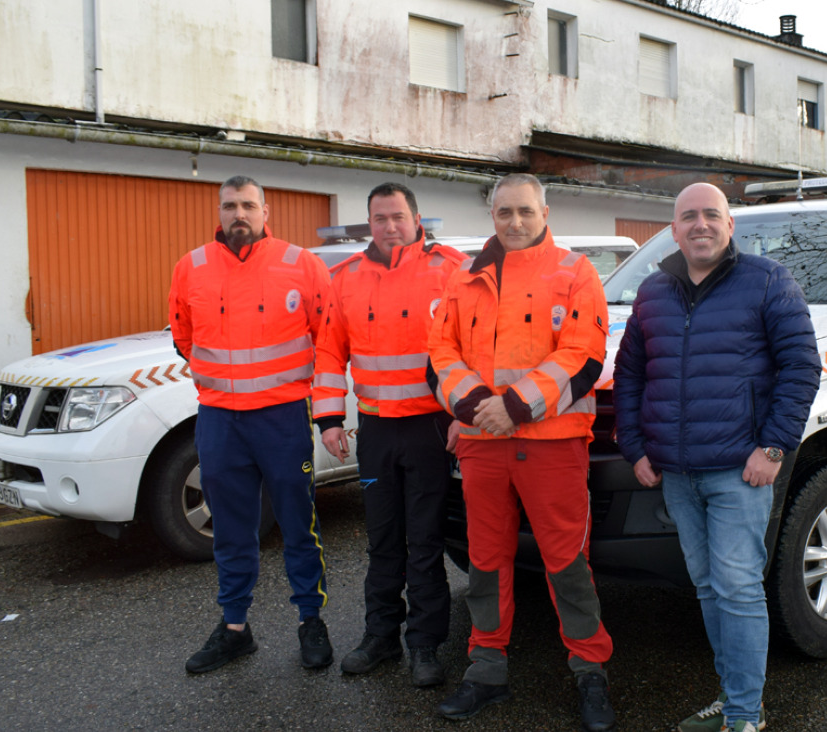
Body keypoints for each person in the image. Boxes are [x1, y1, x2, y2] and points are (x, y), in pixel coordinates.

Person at [612, 182, 821, 732]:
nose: (699, 225)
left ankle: (744, 717)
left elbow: (802, 366)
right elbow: (631, 372)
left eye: (711, 215)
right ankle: (733, 700)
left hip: (739, 470)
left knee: (736, 588)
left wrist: (774, 447)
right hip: (677, 474)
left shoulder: (767, 280)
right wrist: (634, 446)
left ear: (730, 226)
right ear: (674, 229)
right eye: (688, 217)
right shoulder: (654, 291)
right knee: (708, 588)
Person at [427, 173, 616, 731]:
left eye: (525, 212)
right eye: (505, 212)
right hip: (484, 445)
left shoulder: (575, 272)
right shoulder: (464, 277)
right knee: (485, 561)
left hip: (551, 444)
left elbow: (583, 357)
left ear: (544, 212)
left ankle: (590, 670)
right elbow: (440, 352)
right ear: (493, 215)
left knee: (567, 564)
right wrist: (478, 408)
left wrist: (513, 406)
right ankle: (486, 669)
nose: (515, 222)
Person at [169, 175, 337, 674]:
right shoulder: (190, 267)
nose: (238, 214)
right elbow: (182, 335)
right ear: (218, 212)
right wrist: (225, 384)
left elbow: (327, 341)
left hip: (282, 417)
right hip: (219, 419)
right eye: (229, 206)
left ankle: (311, 620)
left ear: (267, 210)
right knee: (230, 527)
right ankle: (235, 628)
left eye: (248, 205)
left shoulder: (301, 265)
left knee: (297, 523)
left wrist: (324, 411)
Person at [312, 182, 466, 687]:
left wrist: (466, 415)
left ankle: (424, 645)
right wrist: (330, 419)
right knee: (381, 542)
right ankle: (380, 636)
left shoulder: (451, 270)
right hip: (376, 429)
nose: (390, 226)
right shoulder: (345, 279)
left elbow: (473, 349)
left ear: (417, 218)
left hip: (430, 428)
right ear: (369, 223)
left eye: (398, 216)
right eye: (380, 218)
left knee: (423, 540)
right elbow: (330, 354)